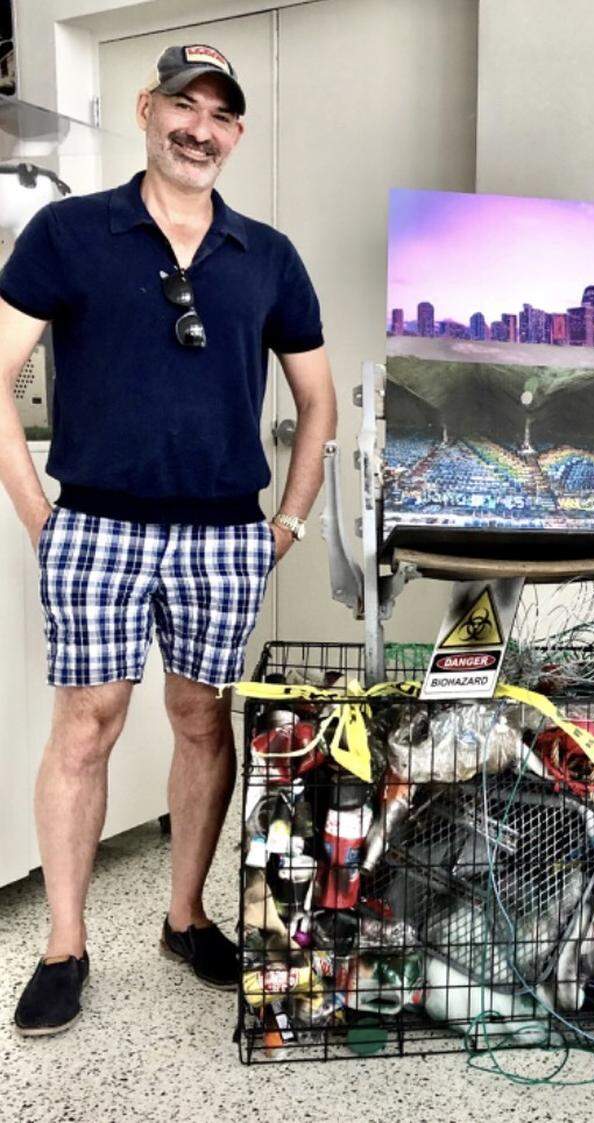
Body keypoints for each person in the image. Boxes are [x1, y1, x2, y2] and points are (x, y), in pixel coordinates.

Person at [0, 44, 336, 1036]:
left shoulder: (268, 255)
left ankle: (184, 918)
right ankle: (65, 943)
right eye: (186, 105)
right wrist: (38, 516)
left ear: (238, 133)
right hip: (95, 524)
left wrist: (288, 522)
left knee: (200, 718)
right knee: (87, 724)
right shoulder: (69, 232)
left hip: (225, 535)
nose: (201, 128)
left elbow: (317, 402)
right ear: (148, 108)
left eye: (222, 115)